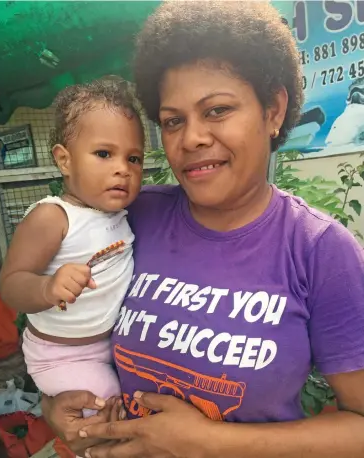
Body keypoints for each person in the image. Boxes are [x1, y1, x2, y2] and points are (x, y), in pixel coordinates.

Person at [42, 2, 364, 457]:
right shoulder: (132, 217)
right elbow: (64, 328)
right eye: (173, 121)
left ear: (273, 110)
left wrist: (212, 443)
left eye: (216, 110)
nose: (191, 138)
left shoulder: (319, 250)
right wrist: (56, 400)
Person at [0, 81, 144, 414]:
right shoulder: (54, 217)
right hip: (59, 356)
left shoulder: (120, 214)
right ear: (64, 161)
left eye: (133, 158)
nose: (123, 168)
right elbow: (11, 283)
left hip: (106, 346)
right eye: (104, 154)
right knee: (108, 404)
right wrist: (48, 287)